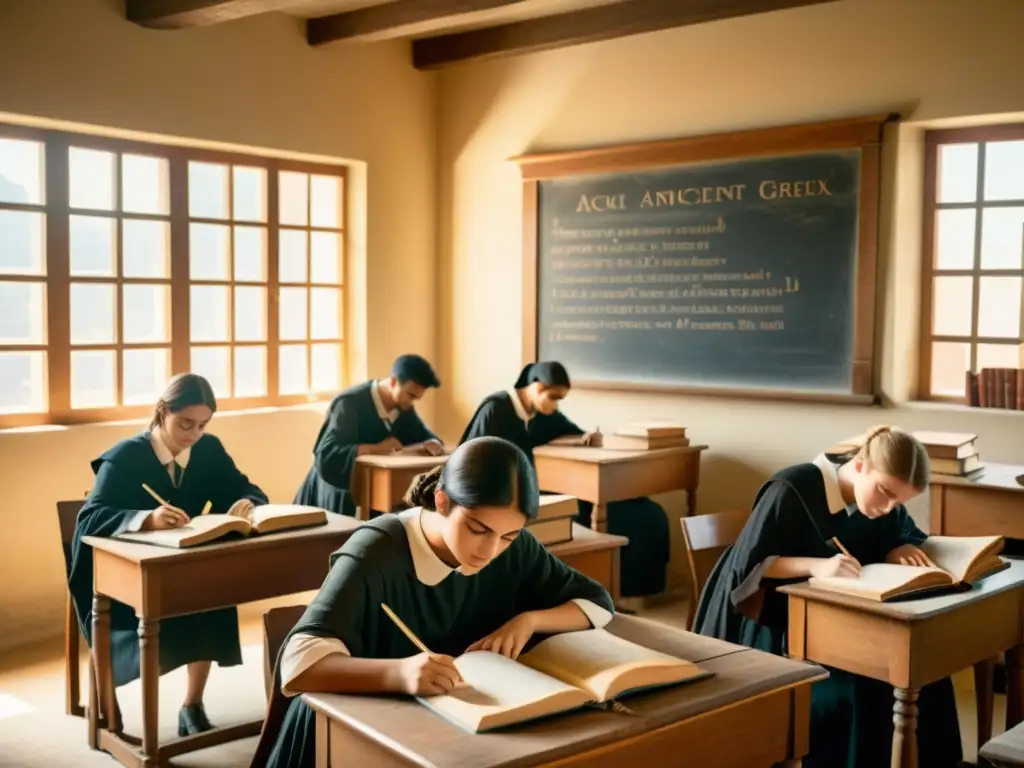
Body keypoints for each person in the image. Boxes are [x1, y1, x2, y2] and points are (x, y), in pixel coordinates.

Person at [252, 436, 615, 768]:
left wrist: (530, 620)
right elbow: (298, 663)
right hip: (351, 730)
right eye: (477, 529)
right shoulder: (376, 550)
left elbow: (597, 603)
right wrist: (399, 673)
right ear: (442, 501)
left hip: (448, 732)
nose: (490, 550)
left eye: (509, 534)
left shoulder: (514, 549)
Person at [692, 425, 963, 768]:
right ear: (861, 465)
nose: (888, 507)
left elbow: (901, 528)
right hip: (770, 622)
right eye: (885, 492)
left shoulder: (881, 503)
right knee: (866, 690)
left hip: (842, 620)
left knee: (926, 675)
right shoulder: (794, 486)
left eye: (900, 501)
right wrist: (817, 566)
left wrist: (902, 544)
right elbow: (750, 567)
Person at [67, 373, 268, 736]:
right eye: (185, 423)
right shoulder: (126, 456)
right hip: (128, 574)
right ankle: (108, 706)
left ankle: (191, 704)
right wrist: (146, 519)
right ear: (163, 412)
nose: (193, 434)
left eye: (203, 425)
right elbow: (90, 517)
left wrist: (247, 502)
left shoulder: (209, 449)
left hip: (184, 565)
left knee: (214, 596)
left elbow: (245, 486)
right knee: (156, 611)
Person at [458, 361, 670, 598]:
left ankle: (613, 591)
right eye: (554, 397)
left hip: (533, 490)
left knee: (640, 512)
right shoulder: (496, 408)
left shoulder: (539, 412)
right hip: (500, 497)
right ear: (537, 387)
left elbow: (570, 430)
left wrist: (585, 436)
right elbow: (475, 461)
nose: (556, 404)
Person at [293, 354, 444, 517]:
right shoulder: (349, 403)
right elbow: (327, 453)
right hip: (332, 490)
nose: (412, 402)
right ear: (393, 382)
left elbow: (425, 436)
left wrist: (433, 442)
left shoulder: (403, 406)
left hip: (373, 492)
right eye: (411, 395)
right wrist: (376, 448)